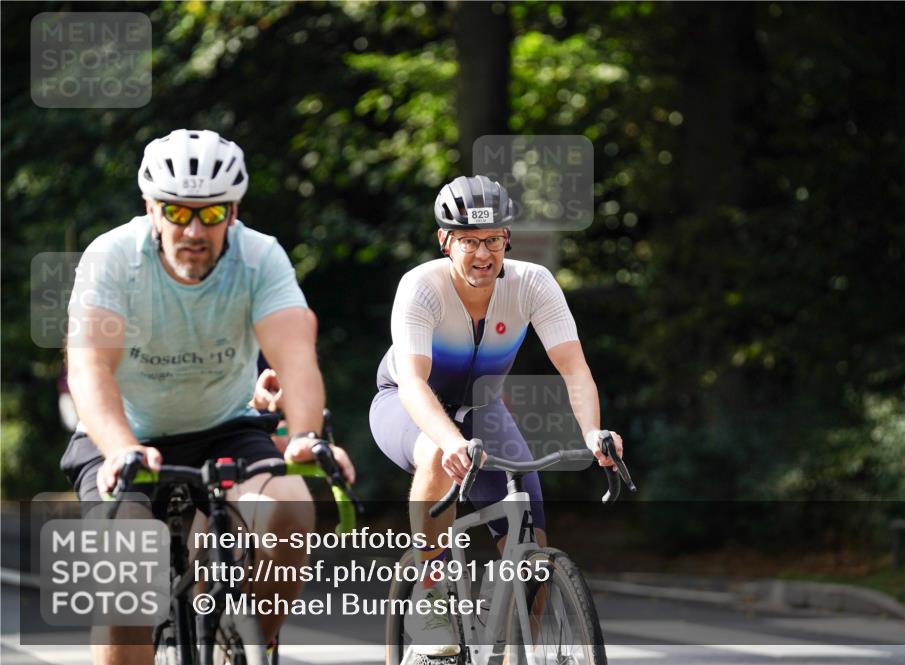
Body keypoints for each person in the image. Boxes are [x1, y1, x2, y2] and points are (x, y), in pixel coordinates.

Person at [60, 129, 355, 665]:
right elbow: (89, 366)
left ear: (233, 212)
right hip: (125, 433)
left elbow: (294, 356)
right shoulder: (111, 257)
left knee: (289, 507)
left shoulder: (261, 257)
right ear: (151, 207)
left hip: (226, 424)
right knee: (128, 558)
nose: (194, 229)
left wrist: (307, 435)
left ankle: (250, 645)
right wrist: (121, 445)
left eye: (211, 215)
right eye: (177, 214)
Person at [369, 175, 625, 656]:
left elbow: (574, 368)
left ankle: (510, 644)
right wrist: (449, 442)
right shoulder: (420, 287)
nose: (482, 254)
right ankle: (431, 594)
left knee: (531, 537)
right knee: (435, 460)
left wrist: (593, 431)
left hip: (482, 411)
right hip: (406, 401)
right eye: (468, 241)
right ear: (444, 240)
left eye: (492, 240)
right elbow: (414, 383)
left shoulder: (533, 284)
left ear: (507, 239)